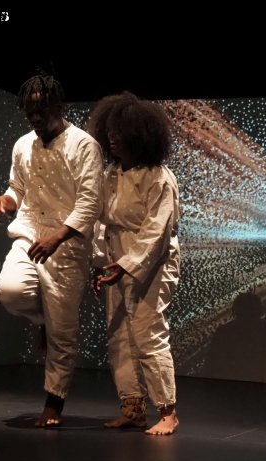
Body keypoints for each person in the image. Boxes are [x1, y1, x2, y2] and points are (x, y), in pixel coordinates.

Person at [0, 73, 103, 427]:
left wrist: (58, 237)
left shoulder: (83, 145)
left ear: (58, 106)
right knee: (10, 291)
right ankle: (45, 322)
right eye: (29, 111)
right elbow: (17, 189)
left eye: (41, 110)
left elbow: (90, 203)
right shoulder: (23, 145)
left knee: (63, 332)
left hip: (67, 245)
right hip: (30, 234)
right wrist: (4, 202)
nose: (35, 117)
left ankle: (54, 403)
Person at [87, 92, 181, 435]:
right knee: (119, 335)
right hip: (117, 259)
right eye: (111, 130)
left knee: (147, 332)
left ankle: (168, 411)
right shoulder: (110, 175)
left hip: (151, 263)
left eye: (121, 131)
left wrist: (127, 265)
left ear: (139, 135)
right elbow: (100, 223)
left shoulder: (158, 178)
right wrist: (101, 262)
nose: (113, 137)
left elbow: (157, 231)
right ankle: (133, 408)